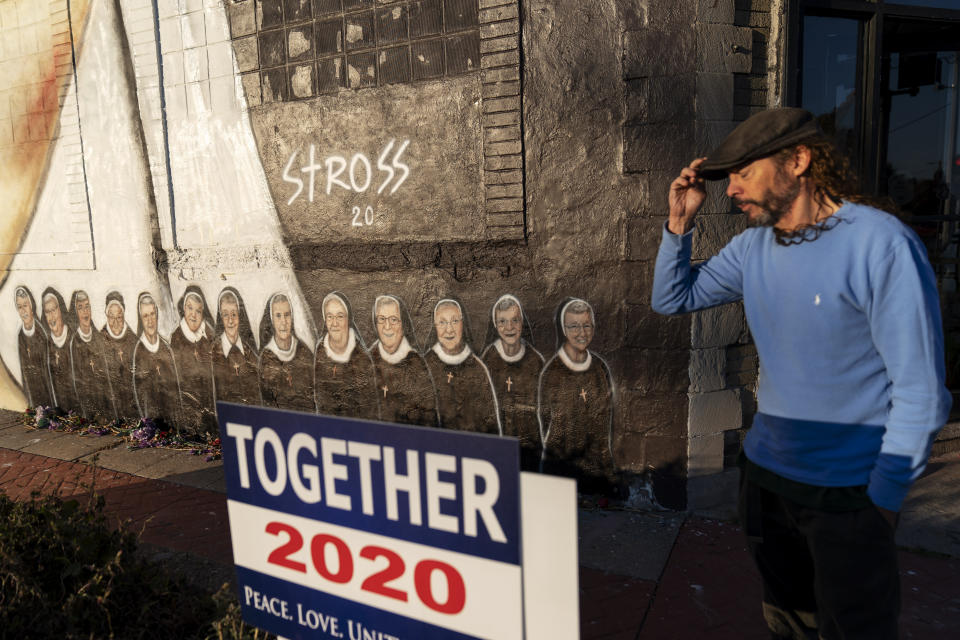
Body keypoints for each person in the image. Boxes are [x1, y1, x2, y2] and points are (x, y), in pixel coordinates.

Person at [651, 107, 952, 640]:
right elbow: (673, 297)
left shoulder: (880, 244)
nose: (731, 190)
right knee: (787, 623)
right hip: (766, 483)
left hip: (848, 495)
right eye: (729, 178)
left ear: (799, 159)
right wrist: (680, 223)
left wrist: (882, 500)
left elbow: (921, 394)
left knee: (854, 630)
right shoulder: (752, 248)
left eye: (744, 172)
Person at [537, 298, 615, 491]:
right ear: (564, 330)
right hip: (560, 470)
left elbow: (604, 423)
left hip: (594, 471)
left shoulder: (599, 368)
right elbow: (545, 419)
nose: (582, 333)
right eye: (574, 326)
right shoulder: (553, 372)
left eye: (586, 325)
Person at [482, 294, 545, 470]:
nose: (509, 327)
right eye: (502, 321)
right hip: (496, 448)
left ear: (522, 323)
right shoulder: (488, 360)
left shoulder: (535, 361)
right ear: (495, 325)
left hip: (529, 448)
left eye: (514, 320)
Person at [424, 298, 500, 434]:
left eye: (454, 321)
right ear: (434, 326)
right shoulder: (424, 367)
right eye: (442, 322)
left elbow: (490, 427)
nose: (449, 329)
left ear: (462, 324)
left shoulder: (478, 369)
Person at [367, 294, 439, 427]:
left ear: (403, 324)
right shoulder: (367, 359)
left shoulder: (417, 365)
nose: (387, 326)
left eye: (393, 319)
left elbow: (428, 418)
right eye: (381, 319)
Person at [313, 292, 379, 420]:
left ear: (348, 320)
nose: (334, 323)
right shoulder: (321, 350)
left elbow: (368, 409)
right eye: (330, 317)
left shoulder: (362, 358)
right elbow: (320, 399)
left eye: (340, 316)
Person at [169, 286, 216, 435]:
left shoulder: (209, 337)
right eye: (190, 308)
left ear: (203, 314)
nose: (193, 315)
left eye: (198, 311)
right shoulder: (177, 337)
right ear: (183, 309)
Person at [132, 292, 183, 428]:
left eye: (152, 314)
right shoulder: (139, 350)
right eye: (145, 316)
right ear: (141, 319)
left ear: (157, 315)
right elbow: (140, 392)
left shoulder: (166, 348)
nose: (150, 320)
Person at [258, 293, 315, 412]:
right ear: (272, 319)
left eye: (287, 315)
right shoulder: (266, 358)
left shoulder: (304, 352)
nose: (283, 322)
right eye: (278, 316)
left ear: (292, 317)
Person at [68, 290, 116, 421]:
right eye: (80, 307)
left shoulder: (99, 337)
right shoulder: (75, 341)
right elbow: (77, 380)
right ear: (75, 312)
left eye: (87, 306)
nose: (85, 311)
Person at [211, 288, 261, 408]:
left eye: (234, 314)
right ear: (221, 317)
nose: (230, 320)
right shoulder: (214, 351)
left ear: (240, 315)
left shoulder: (249, 349)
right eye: (225, 314)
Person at [101, 291, 140, 418]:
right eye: (111, 317)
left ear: (124, 315)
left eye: (118, 317)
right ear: (106, 316)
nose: (115, 322)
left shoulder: (133, 340)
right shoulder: (100, 339)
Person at [14, 286, 53, 407]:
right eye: (19, 307)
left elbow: (48, 370)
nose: (23, 311)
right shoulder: (21, 335)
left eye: (25, 305)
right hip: (31, 388)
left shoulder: (41, 332)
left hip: (44, 387)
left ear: (31, 306)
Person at [41, 288, 78, 411]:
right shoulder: (46, 345)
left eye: (54, 310)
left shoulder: (74, 338)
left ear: (61, 310)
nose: (52, 316)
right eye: (47, 312)